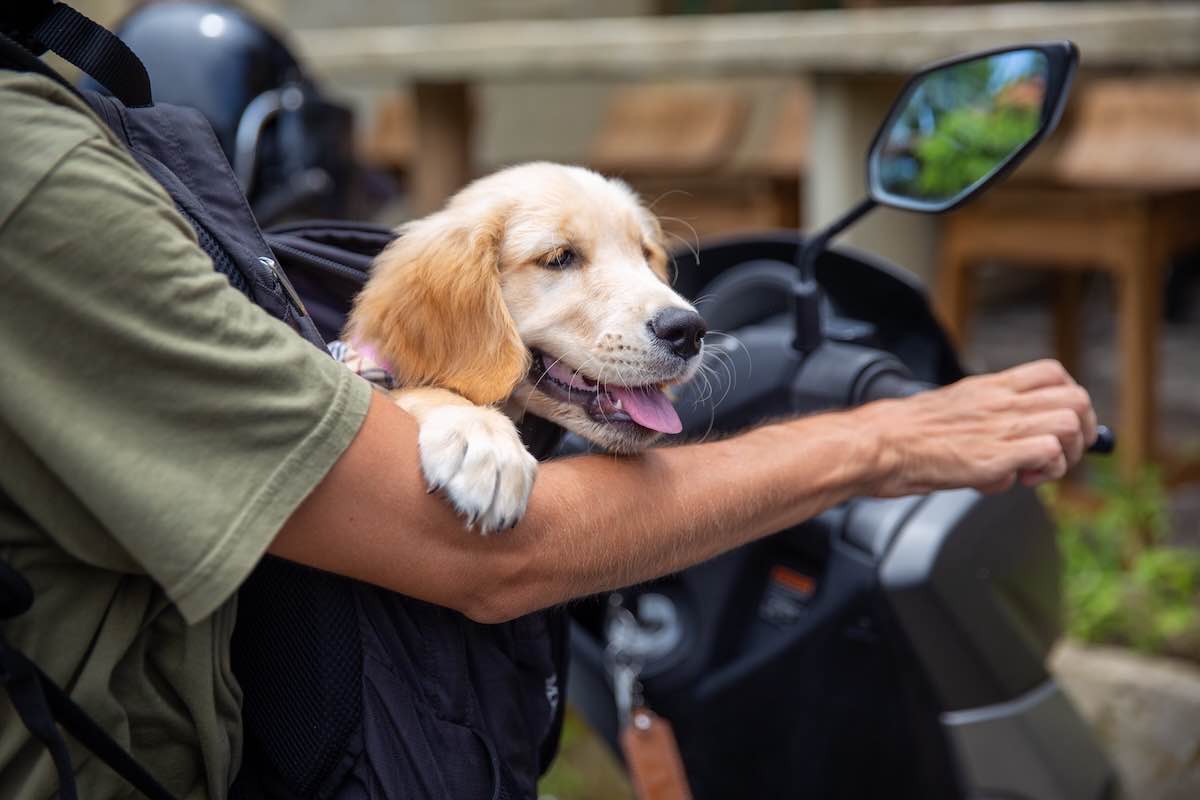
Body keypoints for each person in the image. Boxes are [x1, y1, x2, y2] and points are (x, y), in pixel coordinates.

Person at [0, 65, 1097, 800]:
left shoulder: (57, 101)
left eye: (649, 256)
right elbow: (480, 540)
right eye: (562, 261)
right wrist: (882, 442)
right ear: (463, 297)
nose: (668, 312)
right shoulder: (32, 164)